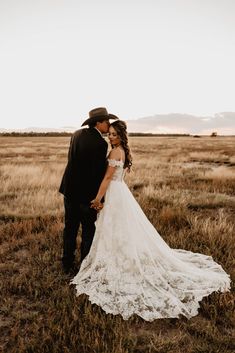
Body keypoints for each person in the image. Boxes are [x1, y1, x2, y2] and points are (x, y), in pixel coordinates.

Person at [70, 120, 231, 321]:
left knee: (116, 227)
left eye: (113, 134)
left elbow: (107, 179)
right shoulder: (123, 151)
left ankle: (122, 260)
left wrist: (96, 199)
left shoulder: (114, 153)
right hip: (121, 193)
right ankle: (124, 255)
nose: (110, 137)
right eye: (109, 134)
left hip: (114, 194)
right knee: (122, 229)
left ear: (120, 136)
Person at [59, 107, 118, 274]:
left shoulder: (76, 134)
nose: (109, 125)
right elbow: (97, 173)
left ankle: (67, 262)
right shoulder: (100, 143)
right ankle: (85, 264)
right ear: (99, 123)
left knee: (69, 227)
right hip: (86, 195)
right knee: (88, 229)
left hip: (69, 190)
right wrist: (99, 199)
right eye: (107, 122)